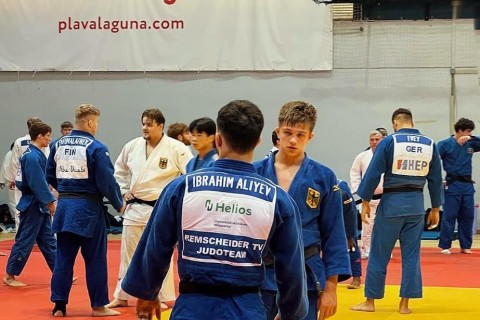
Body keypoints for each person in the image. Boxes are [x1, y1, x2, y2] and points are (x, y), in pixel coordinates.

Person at [121, 100, 308, 320]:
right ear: (257, 142)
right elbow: (292, 268)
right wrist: (290, 312)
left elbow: (155, 245)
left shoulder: (181, 188)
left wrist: (147, 292)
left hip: (191, 308)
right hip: (247, 309)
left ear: (218, 140)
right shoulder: (277, 199)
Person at [254, 101, 351, 320]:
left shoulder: (323, 177)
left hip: (305, 276)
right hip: (260, 277)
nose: (293, 140)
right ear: (277, 132)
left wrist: (331, 289)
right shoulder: (255, 173)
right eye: (287, 132)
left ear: (310, 137)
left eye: (301, 134)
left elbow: (333, 235)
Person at [350, 108, 443, 314]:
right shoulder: (429, 144)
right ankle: (404, 305)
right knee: (411, 256)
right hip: (417, 205)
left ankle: (370, 302)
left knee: (379, 254)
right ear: (412, 122)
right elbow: (436, 178)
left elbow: (374, 172)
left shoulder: (390, 142)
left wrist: (365, 199)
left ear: (395, 123)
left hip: (392, 203)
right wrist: (436, 207)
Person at [107, 109, 193, 309]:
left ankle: (161, 297)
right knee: (127, 255)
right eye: (143, 124)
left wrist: (178, 200)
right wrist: (124, 190)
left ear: (161, 126)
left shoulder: (176, 148)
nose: (145, 128)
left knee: (159, 254)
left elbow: (189, 173)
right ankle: (122, 295)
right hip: (135, 208)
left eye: (149, 124)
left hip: (161, 210)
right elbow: (118, 171)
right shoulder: (132, 146)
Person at [47, 104, 126, 317]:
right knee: (95, 259)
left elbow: (50, 176)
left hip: (64, 208)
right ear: (91, 122)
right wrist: (119, 203)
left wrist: (66, 189)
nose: (97, 126)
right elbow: (106, 181)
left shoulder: (57, 144)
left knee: (63, 258)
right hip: (89, 210)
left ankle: (59, 305)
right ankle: (98, 306)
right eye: (97, 122)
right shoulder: (96, 147)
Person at [3, 122, 57, 286]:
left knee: (48, 240)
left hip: (37, 203)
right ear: (39, 136)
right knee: (25, 240)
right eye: (48, 135)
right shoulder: (32, 156)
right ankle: (10, 275)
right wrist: (50, 202)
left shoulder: (34, 154)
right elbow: (37, 183)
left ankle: (60, 272)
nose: (49, 139)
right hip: (33, 203)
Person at [437, 118, 480, 254]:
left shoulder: (471, 143)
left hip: (467, 186)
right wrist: (439, 180)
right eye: (467, 131)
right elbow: (433, 162)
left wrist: (472, 136)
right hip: (452, 184)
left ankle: (465, 245)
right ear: (460, 130)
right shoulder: (444, 144)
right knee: (449, 216)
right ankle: (445, 245)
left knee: (468, 216)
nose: (469, 134)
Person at [6, 117, 45, 231]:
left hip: (21, 178)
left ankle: (21, 233)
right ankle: (39, 235)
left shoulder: (19, 141)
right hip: (38, 179)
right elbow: (46, 160)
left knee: (20, 207)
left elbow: (14, 162)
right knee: (41, 207)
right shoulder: (41, 140)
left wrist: (11, 178)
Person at [350, 130, 384, 259]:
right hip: (368, 198)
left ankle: (383, 251)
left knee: (383, 226)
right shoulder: (362, 156)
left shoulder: (387, 156)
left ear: (382, 140)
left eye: (377, 139)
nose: (374, 142)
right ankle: (367, 250)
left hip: (385, 196)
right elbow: (354, 173)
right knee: (367, 226)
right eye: (372, 139)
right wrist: (359, 190)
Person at [337, 179, 362, 290]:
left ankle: (356, 277)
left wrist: (349, 235)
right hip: (326, 215)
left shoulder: (341, 191)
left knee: (352, 245)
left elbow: (350, 214)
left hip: (347, 214)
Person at [1, 142, 16, 224]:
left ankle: (17, 221)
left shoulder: (10, 154)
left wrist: (1, 180)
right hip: (23, 183)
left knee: (13, 203)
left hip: (12, 182)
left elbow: (4, 166)